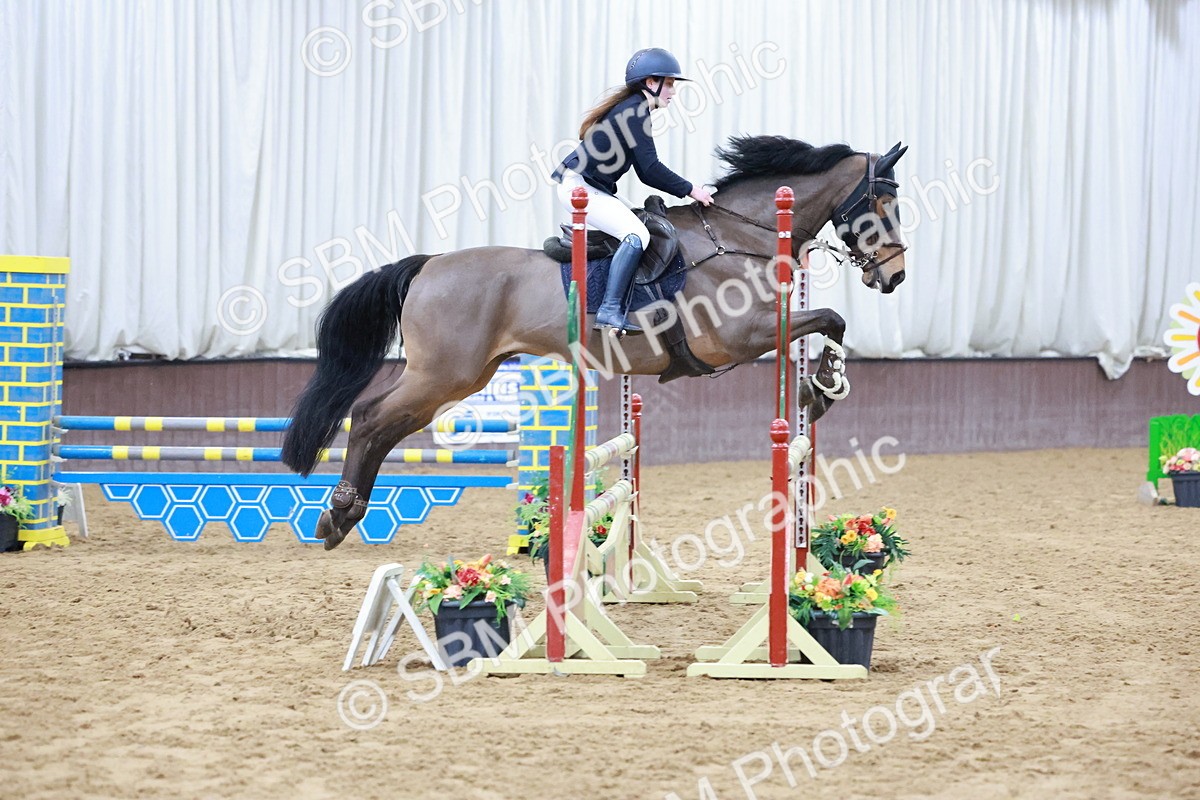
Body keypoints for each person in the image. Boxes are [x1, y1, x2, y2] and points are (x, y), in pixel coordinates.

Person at [552, 47, 714, 334]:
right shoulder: (636, 111)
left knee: (638, 219)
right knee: (637, 233)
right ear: (651, 83)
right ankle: (610, 310)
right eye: (670, 84)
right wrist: (692, 190)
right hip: (580, 188)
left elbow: (643, 171)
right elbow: (650, 170)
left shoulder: (633, 108)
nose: (673, 93)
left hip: (587, 185)